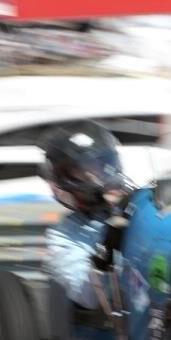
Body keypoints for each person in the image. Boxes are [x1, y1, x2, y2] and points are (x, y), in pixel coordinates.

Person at [40, 121, 131, 309]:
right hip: (116, 317)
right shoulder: (62, 236)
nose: (96, 175)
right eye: (84, 170)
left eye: (101, 165)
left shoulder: (136, 204)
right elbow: (87, 296)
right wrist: (106, 251)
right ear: (65, 177)